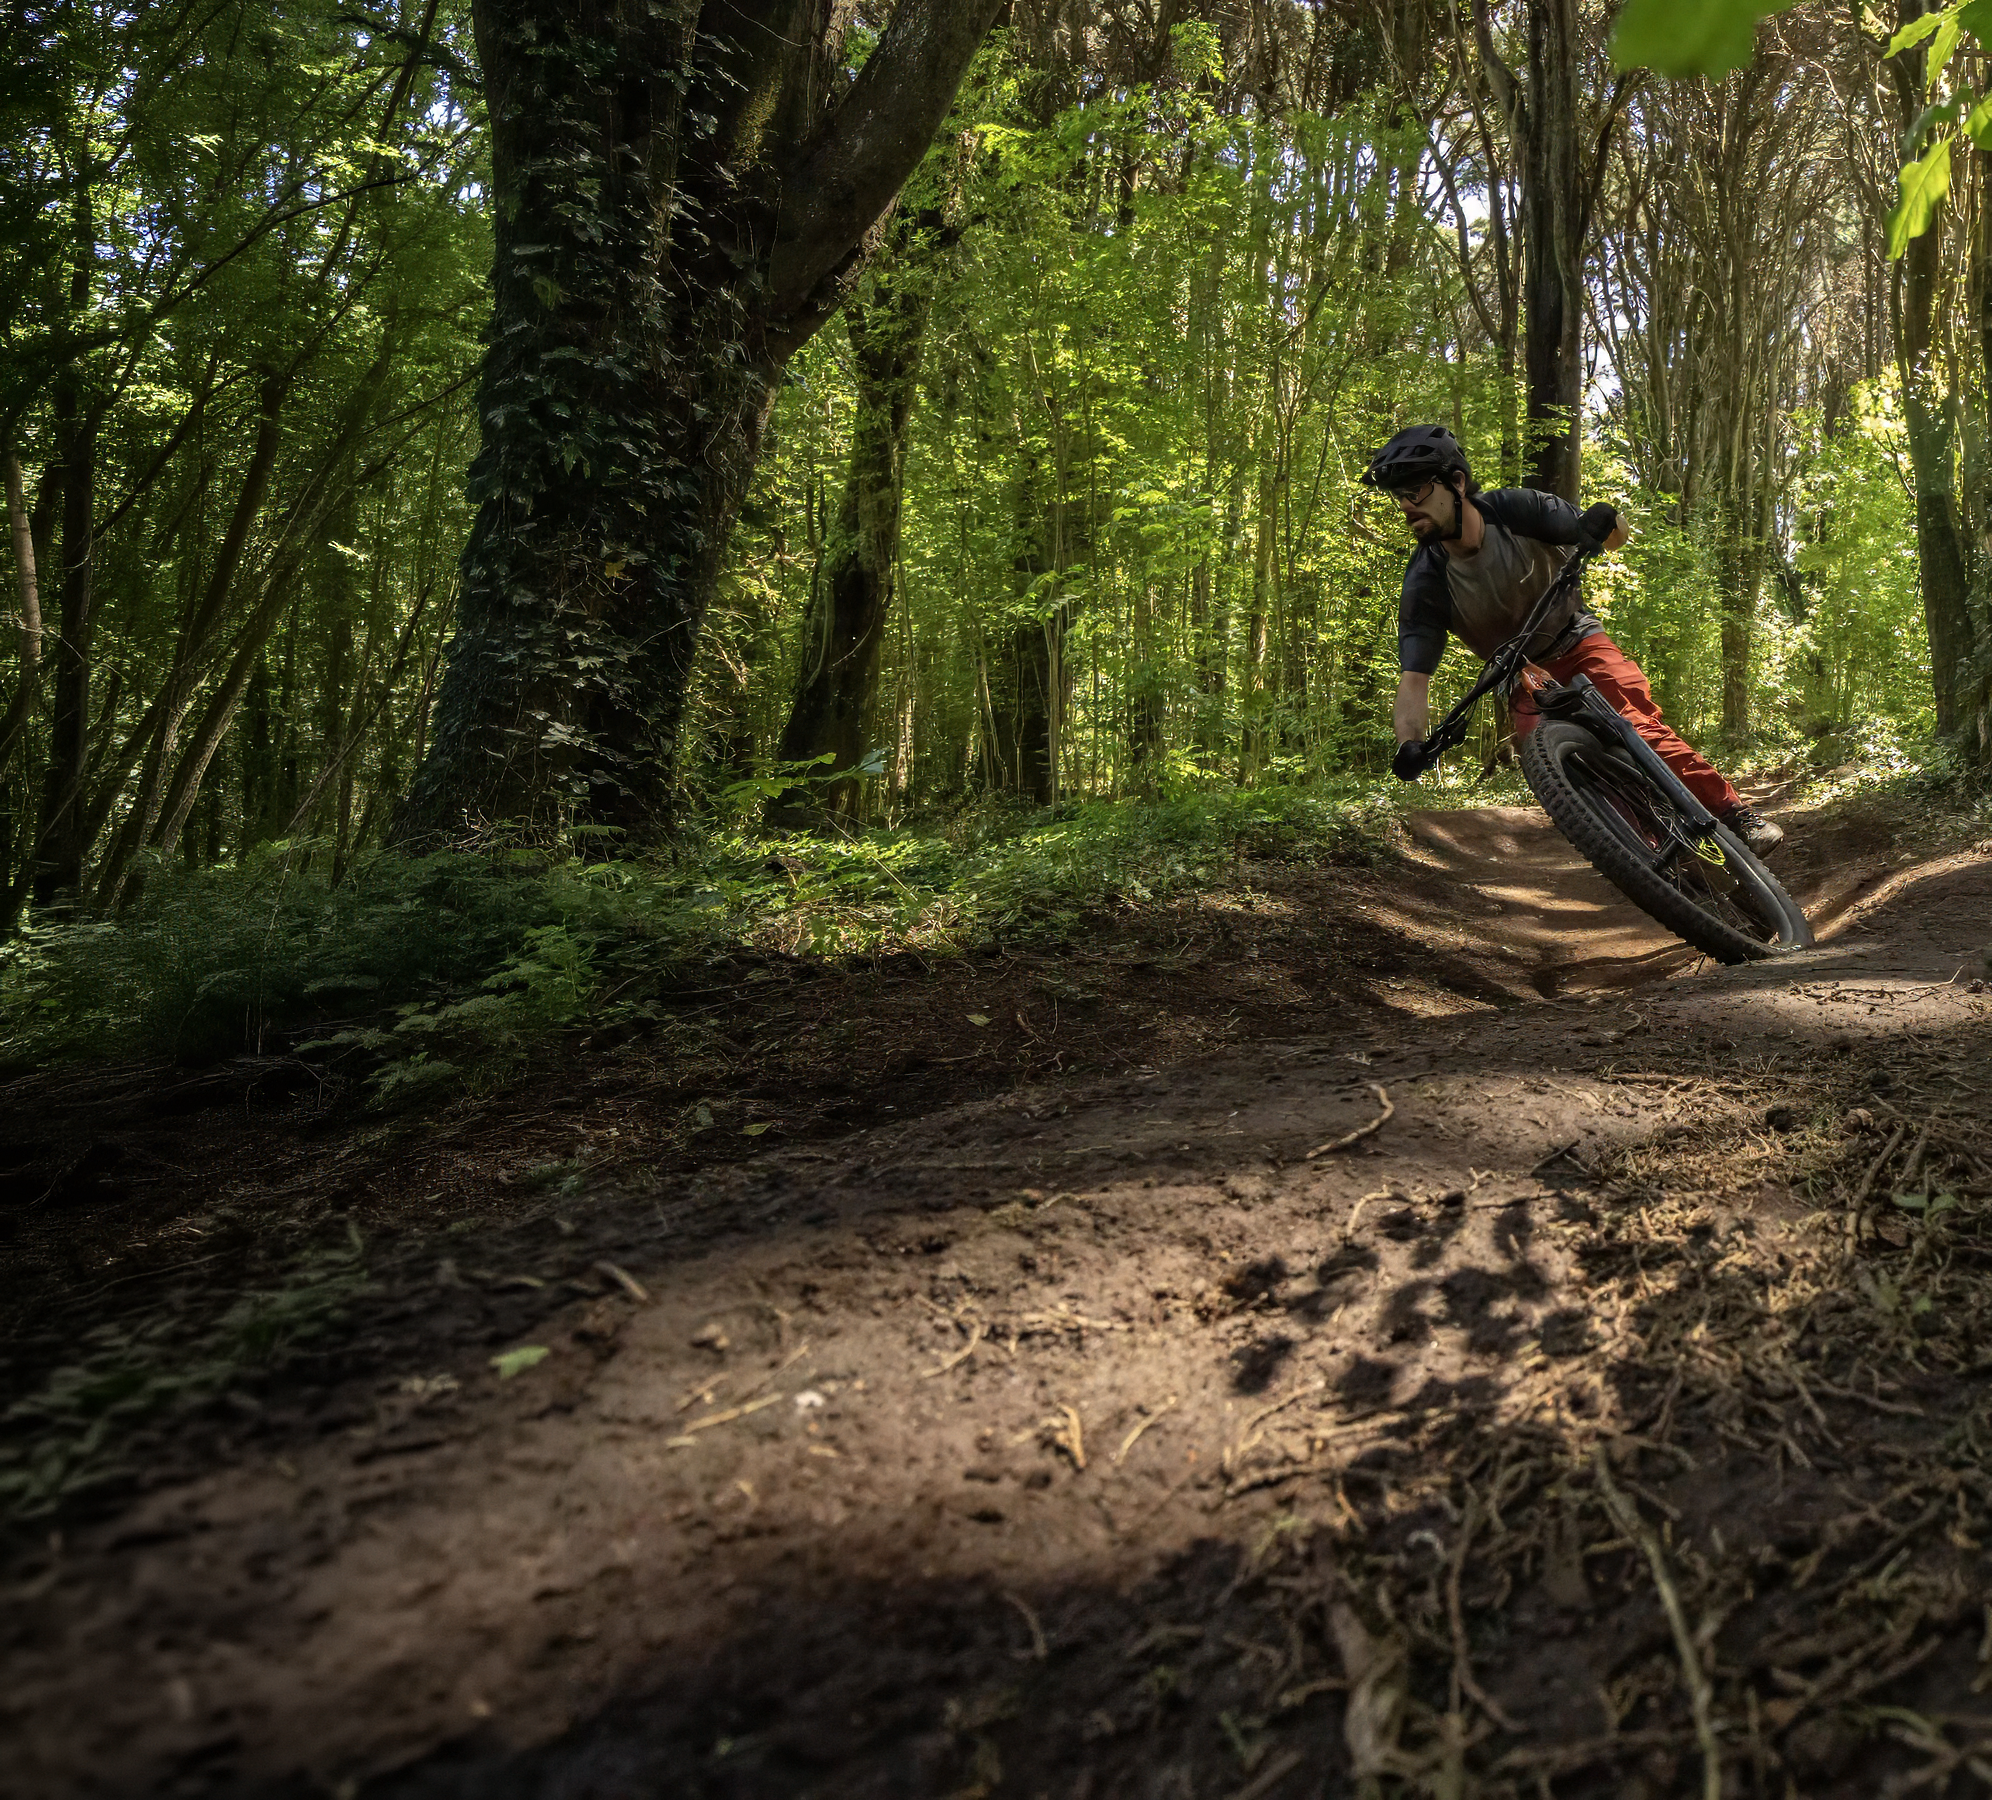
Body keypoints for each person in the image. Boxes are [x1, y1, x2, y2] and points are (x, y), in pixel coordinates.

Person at [1368, 424, 1783, 853]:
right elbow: (1414, 679)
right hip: (1523, 676)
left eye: (1415, 490)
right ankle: (1648, 854)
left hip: (1578, 640)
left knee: (1633, 725)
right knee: (1549, 765)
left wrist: (1610, 520)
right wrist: (1409, 744)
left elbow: (1613, 535)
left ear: (1456, 482)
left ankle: (1735, 813)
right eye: (1398, 496)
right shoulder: (1425, 582)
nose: (1406, 506)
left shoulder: (1516, 510)